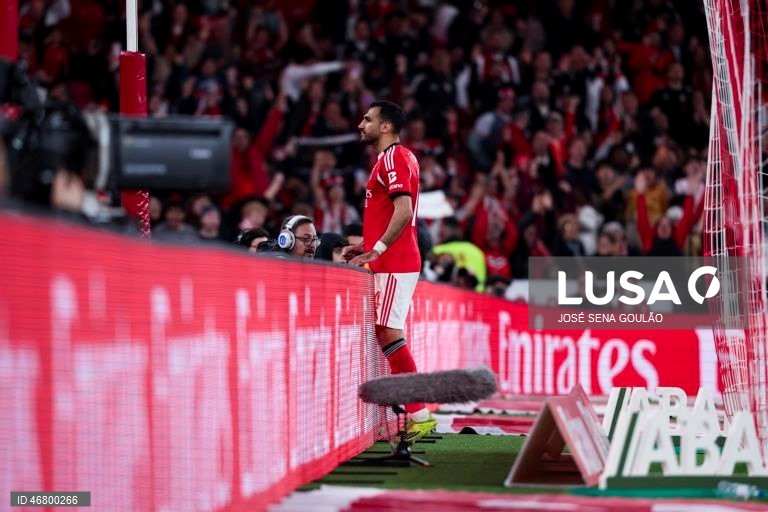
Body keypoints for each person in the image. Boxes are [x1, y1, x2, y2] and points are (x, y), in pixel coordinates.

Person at [344, 99, 436, 442]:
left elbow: (403, 209)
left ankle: (419, 413)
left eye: (367, 119)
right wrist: (365, 244)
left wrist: (377, 248)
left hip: (395, 261)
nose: (360, 124)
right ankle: (417, 411)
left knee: (389, 333)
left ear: (386, 127)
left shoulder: (394, 157)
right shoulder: (394, 158)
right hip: (392, 259)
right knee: (388, 333)